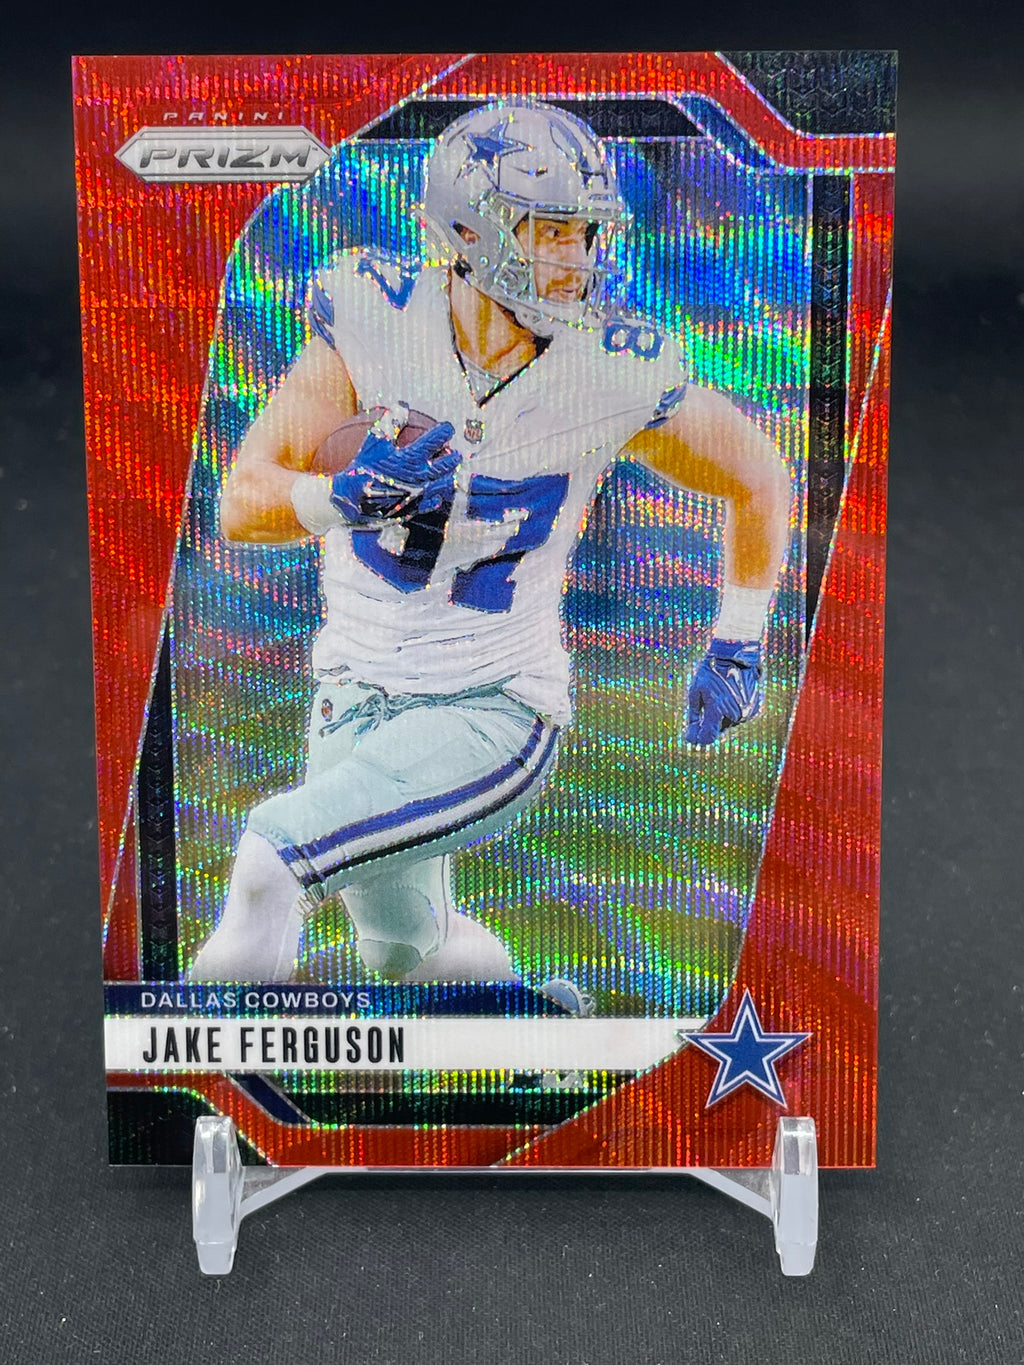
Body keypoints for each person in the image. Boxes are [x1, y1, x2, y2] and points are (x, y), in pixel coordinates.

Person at [188, 102, 792, 997]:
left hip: (492, 706)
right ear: (468, 230)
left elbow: (758, 476)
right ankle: (538, 1026)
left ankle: (178, 1067)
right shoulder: (375, 315)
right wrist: (339, 497)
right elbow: (242, 502)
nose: (577, 259)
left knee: (271, 863)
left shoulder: (609, 366)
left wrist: (738, 639)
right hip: (354, 691)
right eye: (551, 231)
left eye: (586, 233)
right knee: (406, 951)